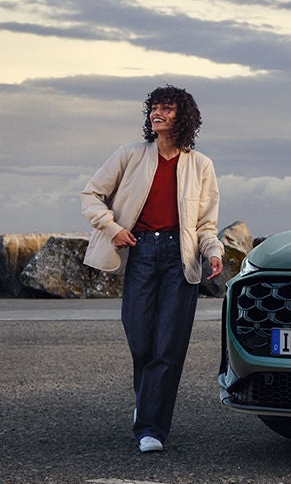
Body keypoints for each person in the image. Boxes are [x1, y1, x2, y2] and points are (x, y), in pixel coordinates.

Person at [81, 87, 223, 452]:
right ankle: (147, 405)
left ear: (183, 117)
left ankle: (151, 429)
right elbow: (91, 195)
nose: (157, 113)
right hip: (140, 252)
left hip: (181, 258)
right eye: (154, 108)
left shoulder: (201, 165)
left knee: (168, 347)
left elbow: (206, 224)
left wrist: (214, 251)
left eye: (166, 108)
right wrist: (113, 228)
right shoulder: (129, 155)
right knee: (142, 340)